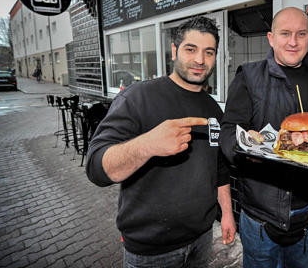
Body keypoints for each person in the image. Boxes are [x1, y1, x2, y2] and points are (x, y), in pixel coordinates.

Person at [86, 17, 236, 268]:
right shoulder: (138, 97)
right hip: (151, 250)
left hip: (201, 238)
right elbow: (96, 169)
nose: (200, 60)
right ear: (174, 50)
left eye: (208, 52)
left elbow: (219, 170)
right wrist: (148, 144)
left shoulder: (213, 109)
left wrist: (228, 215)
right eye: (191, 49)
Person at [220, 7, 308, 268]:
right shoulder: (249, 77)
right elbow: (228, 134)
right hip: (262, 218)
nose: (293, 41)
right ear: (271, 38)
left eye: (301, 34)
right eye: (285, 34)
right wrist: (245, 149)